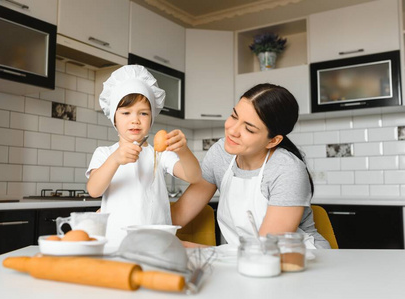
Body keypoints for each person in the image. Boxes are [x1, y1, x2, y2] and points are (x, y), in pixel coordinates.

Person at [171, 83, 331, 249]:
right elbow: (177, 215)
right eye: (234, 116)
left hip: (299, 260)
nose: (232, 131)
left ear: (273, 140)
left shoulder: (287, 169)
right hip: (244, 262)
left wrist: (184, 247)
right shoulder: (220, 154)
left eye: (248, 128)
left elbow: (265, 249)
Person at [86, 65, 201, 247]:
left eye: (143, 113)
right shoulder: (105, 153)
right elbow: (94, 190)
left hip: (158, 243)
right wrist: (115, 159)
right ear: (114, 118)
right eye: (126, 112)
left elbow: (193, 176)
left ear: (152, 117)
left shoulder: (160, 153)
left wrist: (183, 150)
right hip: (117, 243)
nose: (135, 120)